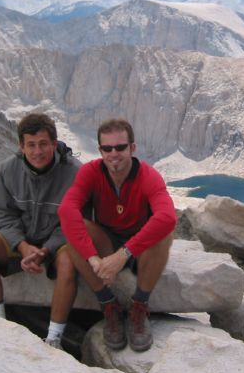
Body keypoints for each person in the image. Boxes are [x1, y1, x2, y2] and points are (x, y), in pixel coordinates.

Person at [59, 118, 176, 352]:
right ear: (100, 150)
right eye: (107, 148)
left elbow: (167, 217)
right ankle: (108, 305)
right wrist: (94, 259)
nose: (114, 154)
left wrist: (122, 256)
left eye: (121, 147)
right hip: (106, 241)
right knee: (72, 236)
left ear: (132, 148)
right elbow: (66, 210)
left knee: (165, 233)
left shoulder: (148, 175)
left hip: (139, 248)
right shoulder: (91, 172)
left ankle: (138, 307)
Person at [0, 113, 81, 350]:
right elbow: (1, 212)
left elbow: (76, 221)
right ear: (21, 146)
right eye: (30, 145)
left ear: (55, 143)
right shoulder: (9, 169)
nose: (37, 151)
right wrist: (22, 245)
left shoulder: (74, 173)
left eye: (43, 144)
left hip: (57, 243)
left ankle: (54, 338)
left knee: (69, 262)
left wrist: (45, 249)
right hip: (23, 241)